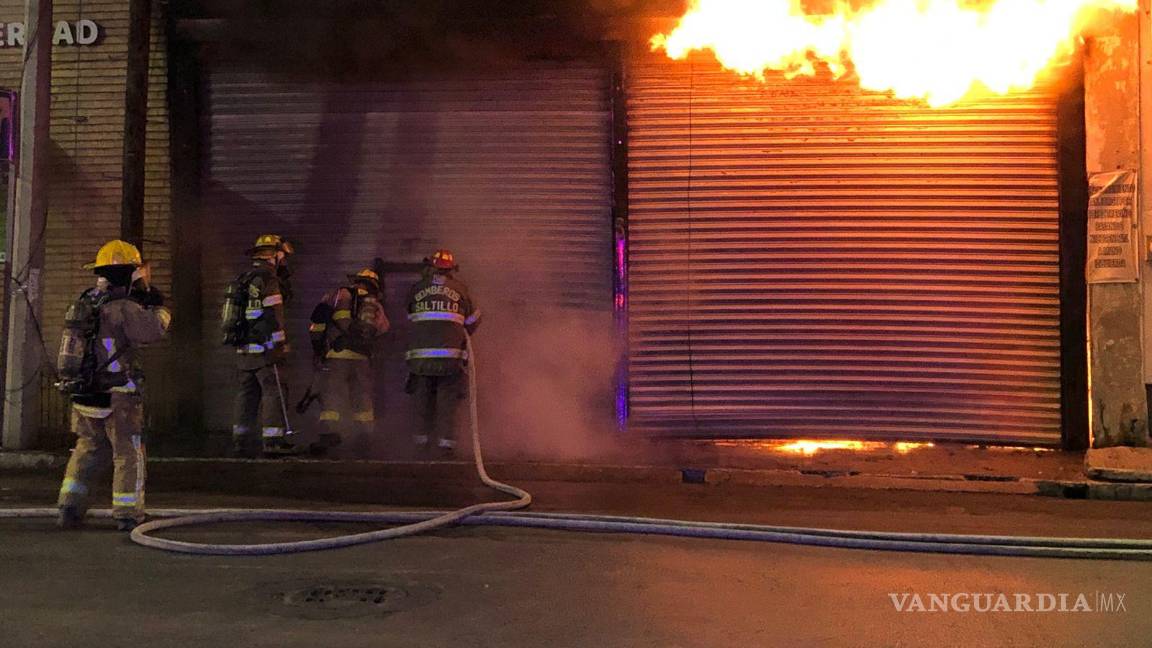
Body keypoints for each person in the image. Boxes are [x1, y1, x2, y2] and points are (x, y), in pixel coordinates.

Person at [56, 240, 172, 531]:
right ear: (128, 274)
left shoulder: (84, 303)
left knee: (87, 448)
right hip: (118, 394)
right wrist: (158, 305)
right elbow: (153, 330)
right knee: (128, 452)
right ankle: (127, 513)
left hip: (85, 393)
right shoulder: (124, 308)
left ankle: (69, 507)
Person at [405, 249, 481, 457]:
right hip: (450, 360)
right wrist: (459, 334)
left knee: (422, 402)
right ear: (451, 270)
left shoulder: (417, 289)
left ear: (430, 267)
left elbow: (410, 315)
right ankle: (445, 447)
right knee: (447, 403)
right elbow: (474, 319)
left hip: (420, 361)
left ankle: (420, 447)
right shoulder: (461, 289)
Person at [225, 233, 295, 457]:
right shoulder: (268, 280)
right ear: (275, 255)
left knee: (246, 395)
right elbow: (273, 318)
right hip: (265, 351)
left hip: (244, 350)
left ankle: (241, 441)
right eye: (282, 257)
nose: (284, 262)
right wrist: (278, 346)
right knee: (273, 393)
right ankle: (273, 442)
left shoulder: (244, 279)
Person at [309, 268, 390, 455]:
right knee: (362, 398)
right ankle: (364, 438)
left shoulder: (338, 295)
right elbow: (383, 329)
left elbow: (317, 322)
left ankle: (329, 434)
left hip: (336, 356)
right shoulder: (374, 304)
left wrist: (318, 350)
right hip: (361, 358)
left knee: (332, 395)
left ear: (356, 281)